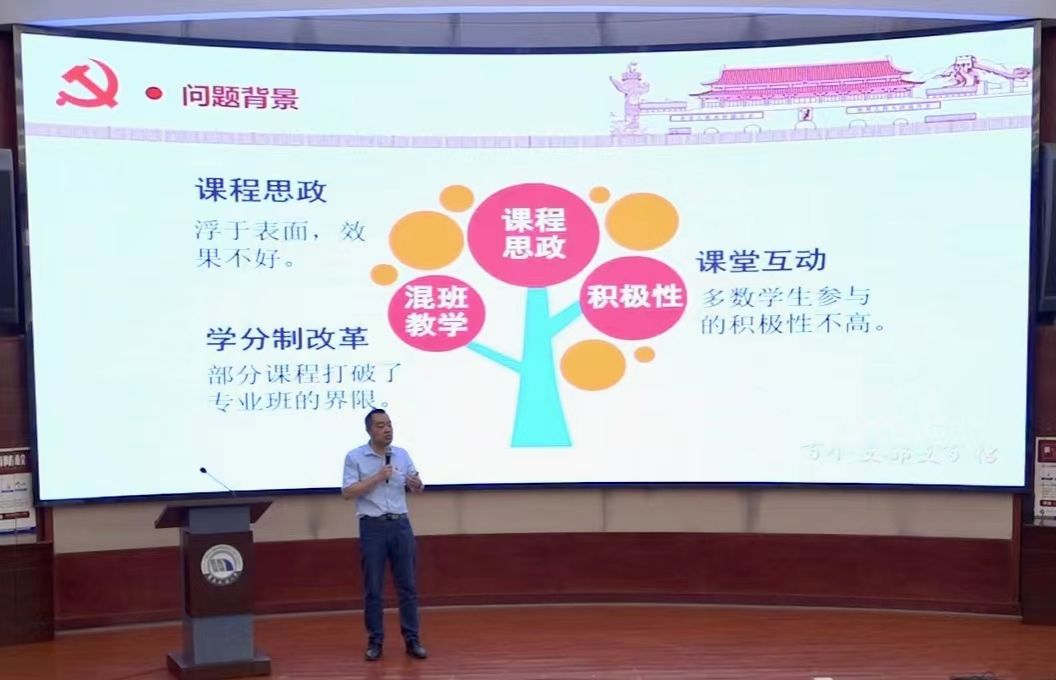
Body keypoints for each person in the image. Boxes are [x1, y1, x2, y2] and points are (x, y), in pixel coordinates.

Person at [341, 407, 427, 661]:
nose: (387, 429)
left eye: (389, 424)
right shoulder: (355, 457)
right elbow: (347, 492)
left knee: (407, 586)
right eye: (380, 425)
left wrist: (416, 484)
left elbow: (418, 485)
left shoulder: (402, 454)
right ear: (369, 430)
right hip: (373, 527)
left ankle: (412, 640)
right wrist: (377, 477)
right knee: (374, 588)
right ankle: (375, 641)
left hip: (400, 525)